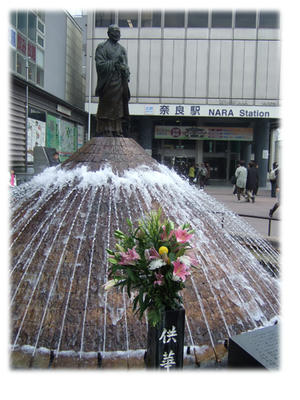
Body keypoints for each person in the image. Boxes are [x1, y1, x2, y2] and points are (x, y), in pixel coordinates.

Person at [95, 24, 130, 137]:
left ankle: (117, 129)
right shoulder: (102, 47)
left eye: (118, 32)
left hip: (119, 81)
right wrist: (114, 62)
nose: (117, 34)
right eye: (115, 32)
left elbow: (125, 66)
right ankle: (105, 128)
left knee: (119, 107)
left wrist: (125, 70)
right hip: (108, 82)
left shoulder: (122, 49)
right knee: (106, 106)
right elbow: (100, 65)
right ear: (109, 33)